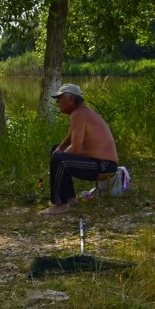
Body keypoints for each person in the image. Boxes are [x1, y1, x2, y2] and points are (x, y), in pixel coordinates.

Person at [40, 83, 119, 216]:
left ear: (71, 99)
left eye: (60, 98)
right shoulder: (80, 112)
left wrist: (58, 158)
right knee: (57, 152)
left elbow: (76, 149)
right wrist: (58, 150)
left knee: (60, 159)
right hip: (102, 163)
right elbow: (69, 139)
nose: (57, 101)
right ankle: (70, 198)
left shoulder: (79, 114)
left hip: (104, 165)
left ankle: (61, 204)